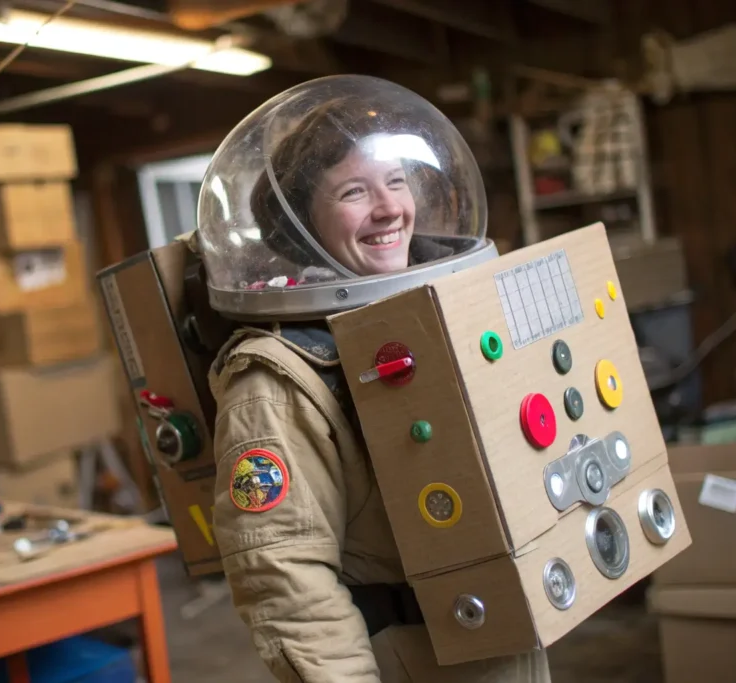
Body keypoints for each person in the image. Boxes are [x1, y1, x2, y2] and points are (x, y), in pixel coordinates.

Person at [195, 75, 550, 683]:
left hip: (506, 642)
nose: (389, 208)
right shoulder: (277, 380)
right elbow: (284, 583)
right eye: (354, 191)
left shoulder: (445, 319)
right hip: (416, 659)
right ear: (302, 221)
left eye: (396, 181)